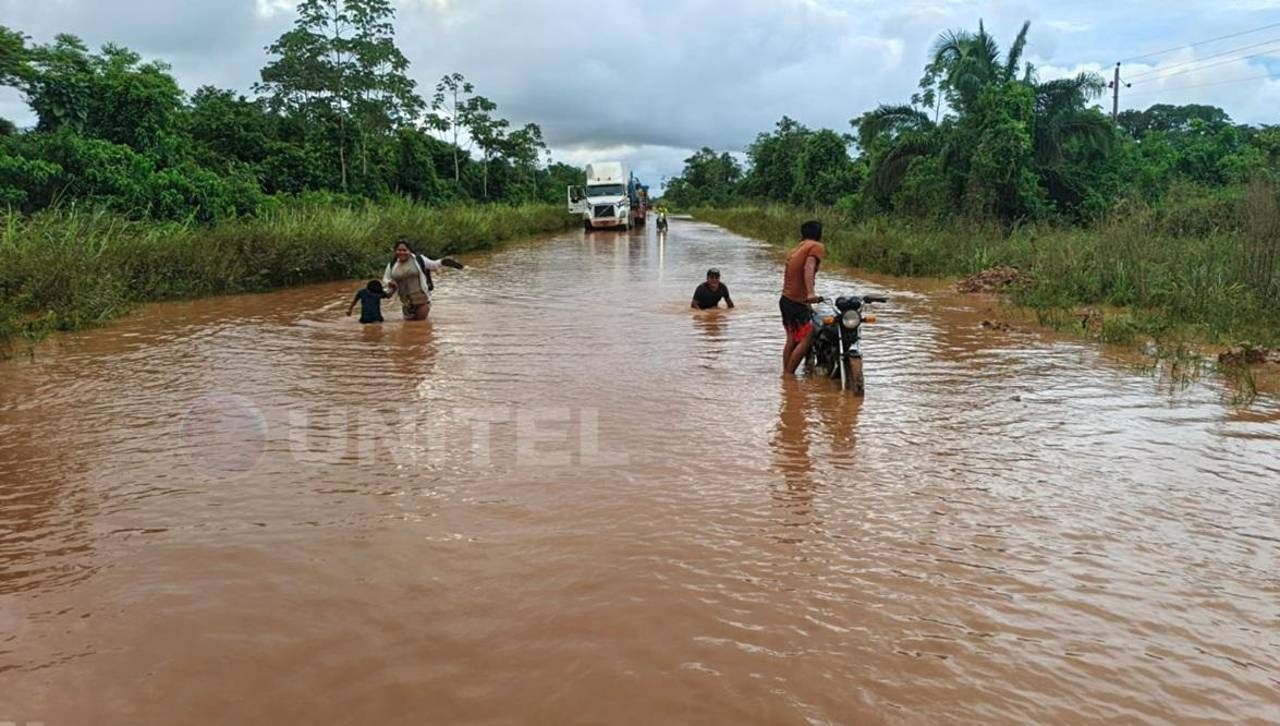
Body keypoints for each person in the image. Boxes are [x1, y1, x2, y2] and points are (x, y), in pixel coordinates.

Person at [779, 220, 826, 376]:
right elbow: (809, 267)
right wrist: (810, 294)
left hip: (786, 300)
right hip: (797, 301)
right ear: (819, 233)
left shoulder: (797, 248)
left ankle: (786, 377)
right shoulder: (816, 246)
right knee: (808, 336)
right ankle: (790, 374)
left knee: (792, 339)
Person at [382, 238, 464, 321]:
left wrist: (444, 261)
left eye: (404, 250)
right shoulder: (392, 265)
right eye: (399, 250)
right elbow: (386, 279)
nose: (401, 252)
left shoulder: (419, 259)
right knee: (410, 328)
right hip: (406, 303)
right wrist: (390, 282)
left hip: (422, 300)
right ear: (395, 251)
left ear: (410, 251)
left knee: (420, 326)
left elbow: (434, 265)